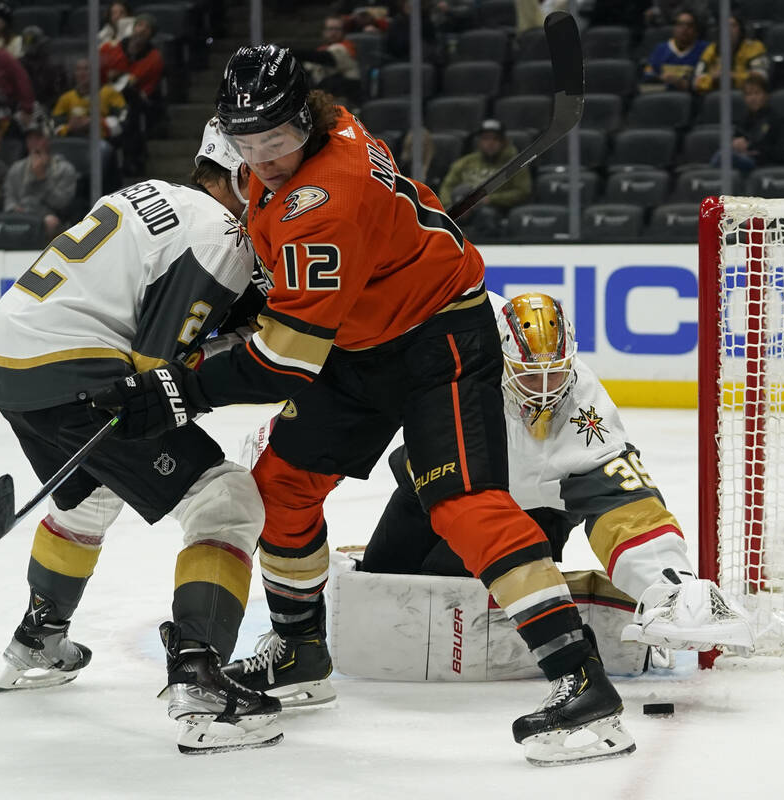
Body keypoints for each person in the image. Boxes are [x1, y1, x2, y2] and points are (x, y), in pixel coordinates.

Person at [91, 45, 636, 767]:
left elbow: (285, 357)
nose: (266, 159)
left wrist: (179, 387)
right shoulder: (320, 131)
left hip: (438, 339)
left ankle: (583, 685)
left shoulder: (327, 196)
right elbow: (298, 281)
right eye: (249, 145)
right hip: (361, 341)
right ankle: (300, 654)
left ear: (304, 125)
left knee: (464, 505)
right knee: (281, 485)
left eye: (278, 143)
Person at [230, 291, 753, 700]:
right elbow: (368, 387)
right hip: (437, 484)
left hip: (530, 512)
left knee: (462, 594)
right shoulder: (460, 347)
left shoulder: (585, 405)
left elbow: (623, 502)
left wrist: (670, 586)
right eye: (529, 372)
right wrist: (290, 438)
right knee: (387, 580)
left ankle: (576, 647)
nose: (544, 386)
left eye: (555, 371)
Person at [0, 121, 281, 754]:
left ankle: (39, 638)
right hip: (81, 370)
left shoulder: (151, 195)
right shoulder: (223, 235)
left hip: (12, 364)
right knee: (226, 501)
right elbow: (155, 369)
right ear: (240, 172)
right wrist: (249, 336)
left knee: (89, 499)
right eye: (266, 172)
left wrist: (228, 321)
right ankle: (201, 684)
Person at [99, 12, 164, 174]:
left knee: (132, 109)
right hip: (106, 96)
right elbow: (101, 74)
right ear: (133, 28)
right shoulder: (112, 48)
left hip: (134, 101)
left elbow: (144, 86)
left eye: (147, 28)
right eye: (139, 25)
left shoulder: (154, 58)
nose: (141, 30)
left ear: (151, 35)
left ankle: (131, 159)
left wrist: (123, 77)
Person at [4, 116, 78, 237]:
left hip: (50, 218)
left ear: (48, 140)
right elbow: (9, 198)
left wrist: (42, 178)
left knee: (50, 222)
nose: (34, 143)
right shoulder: (16, 168)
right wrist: (14, 209)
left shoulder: (65, 169)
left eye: (38, 138)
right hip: (21, 216)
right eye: (30, 139)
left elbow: (62, 204)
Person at [439, 119, 530, 212]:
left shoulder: (516, 163)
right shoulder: (465, 162)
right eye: (485, 138)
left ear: (504, 142)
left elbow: (522, 192)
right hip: (461, 206)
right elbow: (447, 186)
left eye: (495, 139)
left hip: (496, 209)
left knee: (486, 213)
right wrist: (452, 204)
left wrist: (490, 199)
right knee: (437, 214)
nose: (490, 143)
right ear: (479, 142)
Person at [711, 73, 784, 172]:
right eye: (748, 94)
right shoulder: (744, 119)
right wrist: (734, 144)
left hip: (763, 164)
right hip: (742, 161)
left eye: (757, 93)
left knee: (724, 156)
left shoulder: (777, 120)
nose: (753, 98)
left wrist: (750, 147)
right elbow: (734, 140)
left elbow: (782, 153)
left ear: (766, 95)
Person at [52, 57, 128, 144]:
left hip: (101, 143)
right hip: (74, 144)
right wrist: (70, 127)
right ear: (74, 74)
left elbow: (123, 121)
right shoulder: (65, 98)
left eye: (86, 69)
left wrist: (94, 123)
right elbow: (54, 128)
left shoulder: (109, 93)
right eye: (78, 69)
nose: (82, 73)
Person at [293, 16, 361, 107]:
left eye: (337, 29)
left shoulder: (346, 48)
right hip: (325, 98)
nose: (333, 32)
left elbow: (326, 58)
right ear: (323, 32)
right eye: (330, 29)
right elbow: (307, 68)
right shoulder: (321, 50)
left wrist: (292, 52)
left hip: (346, 99)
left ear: (343, 32)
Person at [692, 13, 768, 94]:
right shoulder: (711, 49)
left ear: (741, 29)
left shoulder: (754, 47)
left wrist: (732, 76)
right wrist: (713, 79)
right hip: (717, 95)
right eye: (725, 26)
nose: (729, 29)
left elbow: (760, 78)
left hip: (747, 96)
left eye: (733, 26)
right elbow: (696, 82)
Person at [642, 9, 708, 92]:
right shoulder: (660, 49)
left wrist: (684, 83)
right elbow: (648, 77)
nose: (684, 29)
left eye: (689, 25)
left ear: (696, 31)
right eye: (680, 24)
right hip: (663, 95)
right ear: (674, 28)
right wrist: (661, 78)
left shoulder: (705, 49)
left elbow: (707, 80)